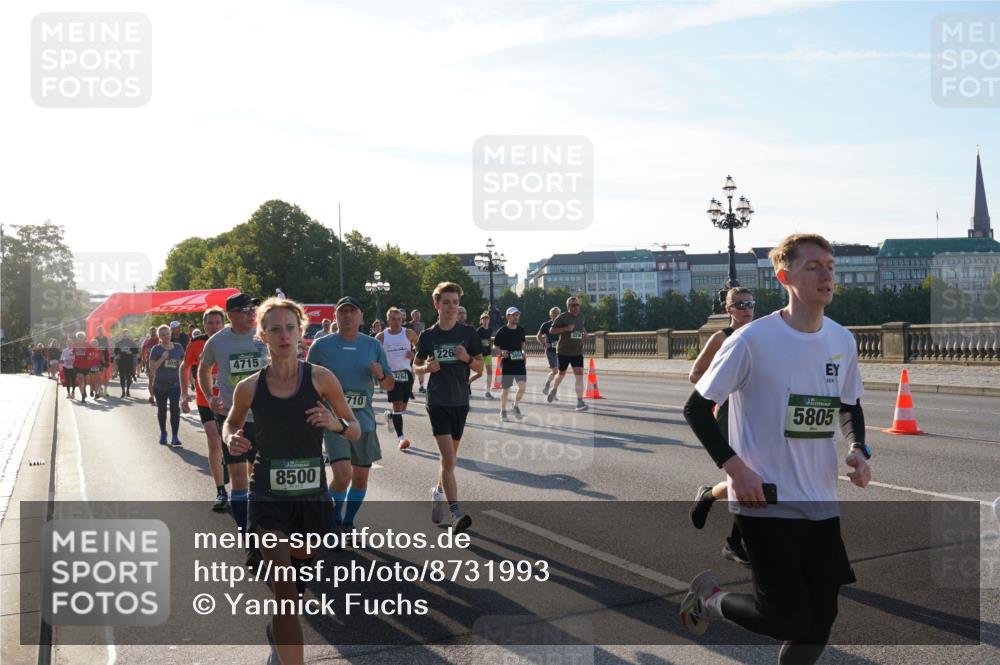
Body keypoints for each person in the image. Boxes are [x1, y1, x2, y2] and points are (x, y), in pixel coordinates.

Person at [680, 233, 872, 665]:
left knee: (820, 619)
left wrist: (859, 448)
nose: (827, 274)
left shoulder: (842, 340)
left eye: (830, 266)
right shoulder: (752, 340)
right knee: (784, 617)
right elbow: (696, 407)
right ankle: (708, 600)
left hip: (821, 499)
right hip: (764, 498)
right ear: (785, 276)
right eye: (814, 266)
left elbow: (848, 405)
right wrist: (735, 470)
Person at [224, 297, 359, 665]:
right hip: (267, 495)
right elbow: (232, 422)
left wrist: (334, 424)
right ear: (262, 336)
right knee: (284, 591)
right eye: (275, 329)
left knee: (298, 576)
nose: (284, 335)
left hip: (310, 496)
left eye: (290, 328)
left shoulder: (320, 379)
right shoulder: (249, 387)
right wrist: (230, 438)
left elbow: (355, 429)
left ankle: (278, 634)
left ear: (302, 332)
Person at [306, 296, 393, 536]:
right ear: (335, 316)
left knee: (361, 479)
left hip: (363, 422)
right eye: (342, 312)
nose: (347, 316)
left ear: (361, 317)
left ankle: (347, 522)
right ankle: (332, 521)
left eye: (352, 311)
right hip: (333, 422)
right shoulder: (321, 346)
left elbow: (389, 385)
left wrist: (381, 375)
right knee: (343, 476)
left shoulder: (372, 345)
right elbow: (306, 383)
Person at [688, 287, 756, 566]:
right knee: (748, 476)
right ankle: (734, 542)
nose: (746, 308)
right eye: (739, 305)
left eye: (750, 303)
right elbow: (695, 375)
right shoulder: (721, 337)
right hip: (728, 412)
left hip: (754, 412)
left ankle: (708, 496)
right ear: (729, 310)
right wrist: (724, 386)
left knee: (756, 476)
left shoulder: (759, 334)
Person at [413, 282, 483, 533]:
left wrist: (467, 359)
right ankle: (455, 514)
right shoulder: (429, 336)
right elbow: (416, 365)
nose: (452, 307)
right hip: (438, 401)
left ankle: (438, 491)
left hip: (461, 401)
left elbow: (480, 368)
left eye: (455, 302)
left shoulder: (468, 333)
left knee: (449, 462)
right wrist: (425, 369)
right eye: (447, 303)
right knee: (449, 458)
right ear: (437, 305)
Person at [198, 292, 268, 535]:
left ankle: (266, 523)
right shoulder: (217, 341)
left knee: (263, 477)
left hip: (265, 417)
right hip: (232, 417)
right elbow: (203, 369)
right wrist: (210, 397)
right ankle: (245, 532)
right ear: (231, 315)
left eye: (253, 309)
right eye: (245, 309)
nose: (251, 313)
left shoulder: (264, 336)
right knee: (238, 478)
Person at [181, 306, 228, 511]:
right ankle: (220, 491)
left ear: (224, 323)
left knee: (236, 443)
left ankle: (243, 487)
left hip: (233, 401)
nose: (214, 326)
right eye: (210, 322)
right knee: (214, 439)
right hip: (206, 400)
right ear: (204, 325)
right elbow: (185, 367)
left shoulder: (232, 340)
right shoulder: (197, 343)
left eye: (218, 322)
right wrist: (184, 394)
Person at [376, 307, 419, 450]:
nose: (396, 322)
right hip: (391, 375)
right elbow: (374, 353)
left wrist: (413, 355)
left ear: (402, 320)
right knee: (397, 406)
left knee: (403, 407)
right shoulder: (381, 337)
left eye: (399, 319)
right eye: (393, 319)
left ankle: (389, 416)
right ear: (388, 320)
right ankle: (401, 438)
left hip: (406, 373)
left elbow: (420, 348)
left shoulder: (409, 333)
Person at [545, 297, 589, 412]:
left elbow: (581, 326)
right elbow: (551, 331)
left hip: (577, 351)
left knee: (579, 376)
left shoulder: (582, 316)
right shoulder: (562, 317)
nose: (575, 307)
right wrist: (566, 328)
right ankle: (554, 390)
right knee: (561, 374)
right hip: (563, 351)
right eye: (572, 305)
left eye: (576, 305)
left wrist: (584, 332)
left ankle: (580, 401)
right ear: (568, 307)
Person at [148, 325, 185, 446]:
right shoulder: (156, 349)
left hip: (175, 384)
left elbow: (184, 364)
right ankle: (163, 433)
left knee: (175, 410)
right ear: (159, 336)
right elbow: (152, 367)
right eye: (163, 334)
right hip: (160, 385)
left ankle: (175, 436)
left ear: (171, 334)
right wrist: (162, 358)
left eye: (168, 334)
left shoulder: (178, 347)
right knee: (162, 410)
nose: (166, 336)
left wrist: (180, 363)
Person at [493, 307, 528, 421]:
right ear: (508, 316)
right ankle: (503, 411)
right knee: (506, 389)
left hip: (519, 363)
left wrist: (523, 353)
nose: (516, 317)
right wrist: (501, 352)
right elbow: (495, 347)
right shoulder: (502, 331)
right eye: (513, 315)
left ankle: (515, 405)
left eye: (517, 315)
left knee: (522, 387)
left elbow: (523, 344)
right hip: (507, 363)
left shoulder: (521, 330)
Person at [468, 313, 495, 400]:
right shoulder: (479, 330)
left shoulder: (490, 330)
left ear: (489, 320)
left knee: (490, 372)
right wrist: (480, 344)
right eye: (483, 319)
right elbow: (474, 341)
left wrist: (490, 346)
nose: (485, 321)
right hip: (479, 353)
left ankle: (487, 392)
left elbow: (490, 340)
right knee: (479, 373)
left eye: (487, 319)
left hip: (488, 353)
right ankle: (468, 383)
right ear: (481, 321)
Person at [536, 307, 561, 397]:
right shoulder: (546, 325)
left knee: (557, 373)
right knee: (556, 371)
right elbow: (538, 336)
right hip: (550, 351)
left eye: (557, 313)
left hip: (561, 351)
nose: (556, 315)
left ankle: (548, 386)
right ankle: (551, 391)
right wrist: (544, 343)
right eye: (554, 313)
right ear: (550, 315)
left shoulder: (562, 325)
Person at [406, 309, 426, 393]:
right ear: (412, 316)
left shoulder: (422, 324)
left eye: (419, 315)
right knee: (412, 368)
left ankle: (421, 386)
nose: (417, 316)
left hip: (421, 348)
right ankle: (410, 387)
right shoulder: (409, 325)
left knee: (421, 367)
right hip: (412, 348)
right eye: (416, 315)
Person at [114, 330, 139, 397]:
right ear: (122, 335)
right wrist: (117, 354)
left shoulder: (131, 342)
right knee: (122, 378)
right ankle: (123, 391)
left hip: (129, 362)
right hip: (121, 362)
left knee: (129, 378)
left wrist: (131, 352)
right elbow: (115, 351)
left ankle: (127, 390)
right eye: (124, 334)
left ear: (128, 335)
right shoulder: (119, 343)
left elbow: (136, 351)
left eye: (126, 334)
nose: (125, 335)